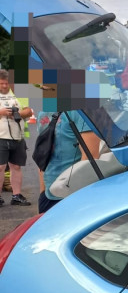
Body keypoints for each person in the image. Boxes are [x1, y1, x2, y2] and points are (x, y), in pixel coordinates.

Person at [35, 109, 101, 213]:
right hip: (48, 195)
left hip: (73, 195)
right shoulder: (43, 111)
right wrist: (42, 193)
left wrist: (80, 198)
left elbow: (90, 158)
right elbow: (43, 154)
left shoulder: (81, 111)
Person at [0, 69, 33, 206]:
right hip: (1, 136)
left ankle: (16, 195)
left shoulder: (18, 93)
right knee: (0, 167)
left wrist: (18, 113)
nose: (5, 86)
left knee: (16, 167)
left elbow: (29, 111)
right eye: (1, 83)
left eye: (7, 83)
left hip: (17, 137)